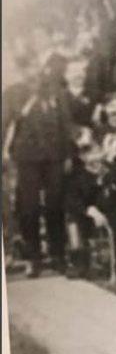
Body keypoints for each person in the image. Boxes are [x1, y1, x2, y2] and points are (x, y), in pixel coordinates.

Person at [5, 54, 75, 275]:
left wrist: (68, 155)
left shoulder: (56, 91)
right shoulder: (13, 93)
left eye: (36, 67)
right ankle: (33, 257)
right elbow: (8, 121)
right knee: (29, 208)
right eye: (28, 68)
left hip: (54, 156)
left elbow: (65, 124)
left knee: (55, 205)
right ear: (21, 70)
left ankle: (58, 255)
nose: (33, 72)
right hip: (27, 158)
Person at [64, 143, 116, 278]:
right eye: (90, 154)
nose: (95, 158)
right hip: (87, 215)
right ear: (82, 157)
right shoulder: (76, 176)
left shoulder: (113, 171)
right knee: (73, 219)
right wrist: (90, 210)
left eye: (97, 152)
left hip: (112, 212)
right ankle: (79, 262)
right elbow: (72, 200)